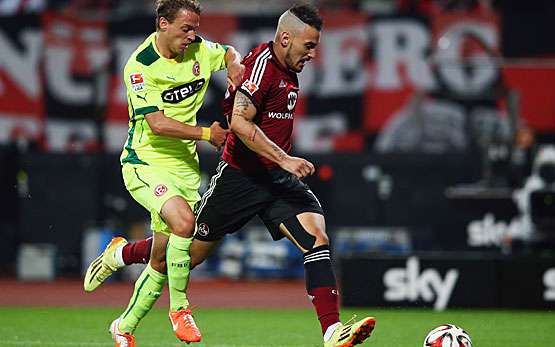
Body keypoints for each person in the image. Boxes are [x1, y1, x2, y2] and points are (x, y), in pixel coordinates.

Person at [85, 4, 376, 347]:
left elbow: (225, 52)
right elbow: (238, 121)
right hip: (239, 179)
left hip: (276, 180)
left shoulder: (280, 67)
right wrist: (280, 157)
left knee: (317, 239)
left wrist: (232, 61)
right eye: (308, 45)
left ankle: (332, 332)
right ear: (286, 38)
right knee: (178, 254)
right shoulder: (261, 67)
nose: (313, 53)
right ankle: (123, 257)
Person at [82, 0, 244, 346]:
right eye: (186, 28)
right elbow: (156, 124)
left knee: (161, 259)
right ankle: (180, 309)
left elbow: (229, 51)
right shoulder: (141, 66)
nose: (192, 36)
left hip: (184, 169)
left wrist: (234, 66)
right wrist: (207, 134)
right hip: (145, 163)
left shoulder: (200, 49)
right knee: (185, 224)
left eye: (196, 28)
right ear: (163, 24)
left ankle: (123, 324)